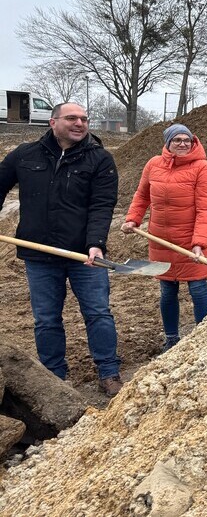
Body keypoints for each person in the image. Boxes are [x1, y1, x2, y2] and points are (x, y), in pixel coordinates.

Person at [0, 102, 123, 396]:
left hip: (84, 256)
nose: (80, 123)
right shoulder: (24, 155)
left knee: (98, 313)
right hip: (39, 254)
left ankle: (109, 373)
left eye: (84, 119)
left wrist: (96, 244)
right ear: (53, 122)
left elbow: (102, 206)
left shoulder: (100, 159)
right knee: (46, 318)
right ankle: (54, 379)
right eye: (72, 118)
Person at [122, 124, 207, 352]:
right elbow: (142, 195)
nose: (183, 143)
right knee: (167, 290)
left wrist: (199, 243)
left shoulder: (202, 167)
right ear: (167, 143)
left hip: (190, 240)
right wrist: (133, 219)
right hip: (160, 239)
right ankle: (172, 338)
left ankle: (206, 338)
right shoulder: (153, 164)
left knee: (197, 288)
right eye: (177, 140)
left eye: (187, 139)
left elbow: (206, 209)